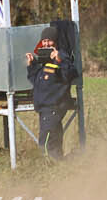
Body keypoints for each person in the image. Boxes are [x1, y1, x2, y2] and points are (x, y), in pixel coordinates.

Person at [26, 25, 79, 158]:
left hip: (54, 107)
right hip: (45, 109)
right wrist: (31, 66)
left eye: (49, 40)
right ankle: (58, 165)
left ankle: (47, 165)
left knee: (46, 144)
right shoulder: (44, 60)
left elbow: (71, 74)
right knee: (53, 143)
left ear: (55, 41)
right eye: (44, 41)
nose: (46, 43)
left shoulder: (62, 56)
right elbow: (37, 81)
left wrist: (60, 61)